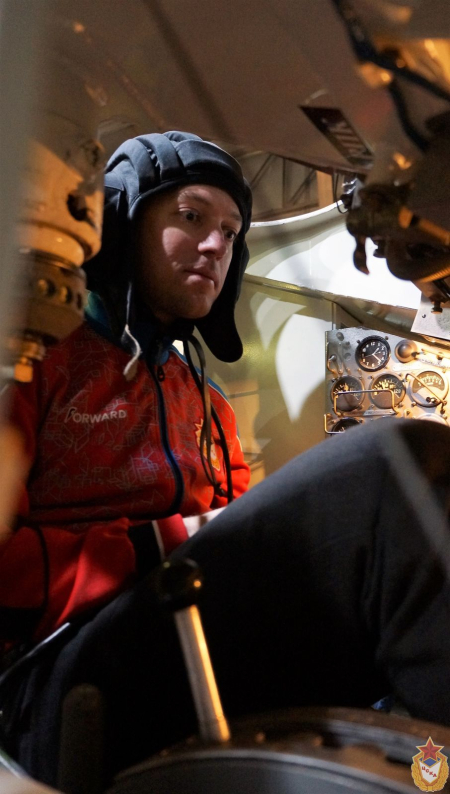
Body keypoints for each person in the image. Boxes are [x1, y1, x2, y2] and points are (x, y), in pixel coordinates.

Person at [1, 131, 450, 788]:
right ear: (124, 223)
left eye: (231, 232)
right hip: (52, 683)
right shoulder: (35, 364)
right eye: (191, 216)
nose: (217, 244)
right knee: (394, 461)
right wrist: (157, 544)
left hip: (189, 646)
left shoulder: (207, 404)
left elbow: (240, 560)